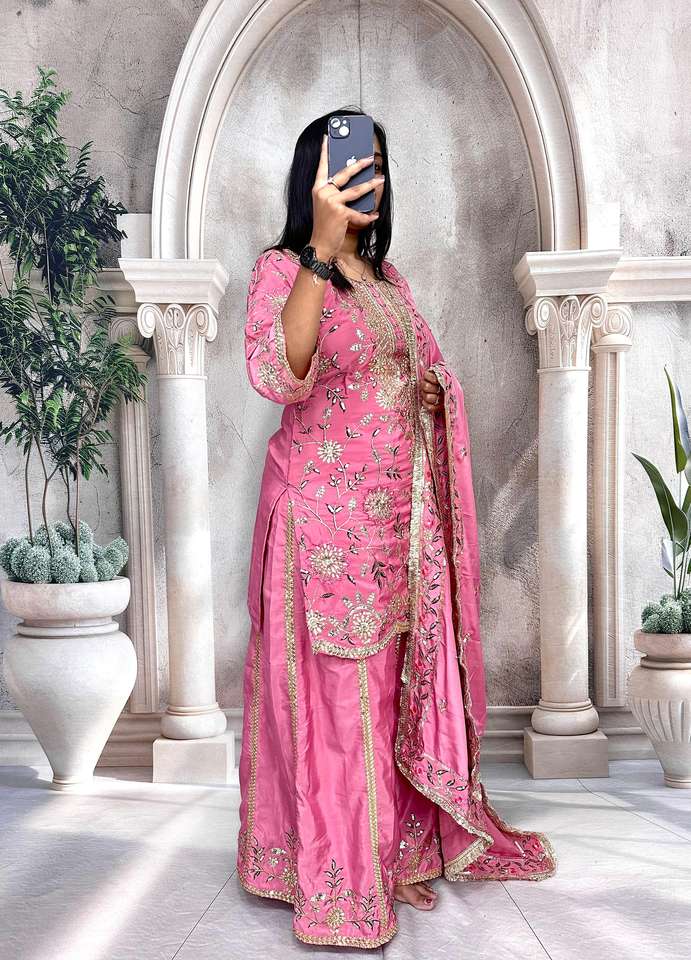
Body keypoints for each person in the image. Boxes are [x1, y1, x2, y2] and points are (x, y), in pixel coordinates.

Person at [236, 108, 556, 949]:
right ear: (314, 179)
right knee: (335, 703)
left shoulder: (389, 283)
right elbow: (279, 374)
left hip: (395, 527)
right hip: (319, 525)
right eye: (349, 165)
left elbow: (425, 371)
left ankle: (390, 850)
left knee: (388, 692)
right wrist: (318, 250)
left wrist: (434, 393)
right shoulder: (281, 270)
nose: (365, 177)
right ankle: (337, 875)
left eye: (375, 164)